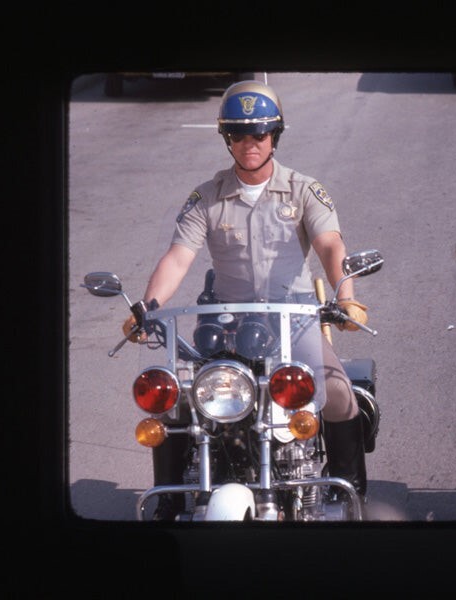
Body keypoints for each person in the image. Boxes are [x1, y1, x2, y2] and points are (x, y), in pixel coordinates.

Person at [122, 80, 371, 520]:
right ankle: (170, 496)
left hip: (294, 319)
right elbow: (178, 258)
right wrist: (148, 307)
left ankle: (347, 490)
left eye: (259, 133)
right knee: (178, 392)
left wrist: (345, 296)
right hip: (226, 323)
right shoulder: (207, 197)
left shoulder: (303, 190)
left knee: (335, 389)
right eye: (238, 134)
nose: (249, 143)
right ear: (227, 139)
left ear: (275, 135)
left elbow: (331, 245)